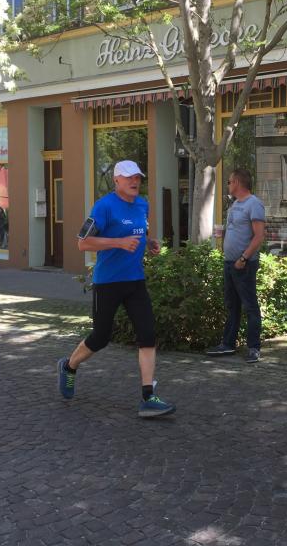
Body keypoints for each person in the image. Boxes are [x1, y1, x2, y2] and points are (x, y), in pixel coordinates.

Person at [56, 160, 175, 418]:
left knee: (148, 334)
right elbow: (82, 243)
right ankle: (69, 366)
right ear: (116, 180)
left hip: (135, 281)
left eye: (138, 178)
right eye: (129, 177)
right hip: (107, 282)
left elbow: (138, 233)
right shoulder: (104, 206)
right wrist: (118, 243)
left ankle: (148, 397)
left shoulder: (142, 204)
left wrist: (149, 243)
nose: (135, 182)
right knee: (100, 337)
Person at [206, 169, 266, 363]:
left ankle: (254, 348)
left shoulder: (254, 204)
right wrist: (223, 236)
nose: (228, 184)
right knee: (232, 305)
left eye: (230, 181)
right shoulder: (234, 204)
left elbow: (259, 236)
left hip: (244, 264)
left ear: (238, 183)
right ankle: (228, 344)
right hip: (229, 262)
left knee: (250, 306)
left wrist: (244, 258)